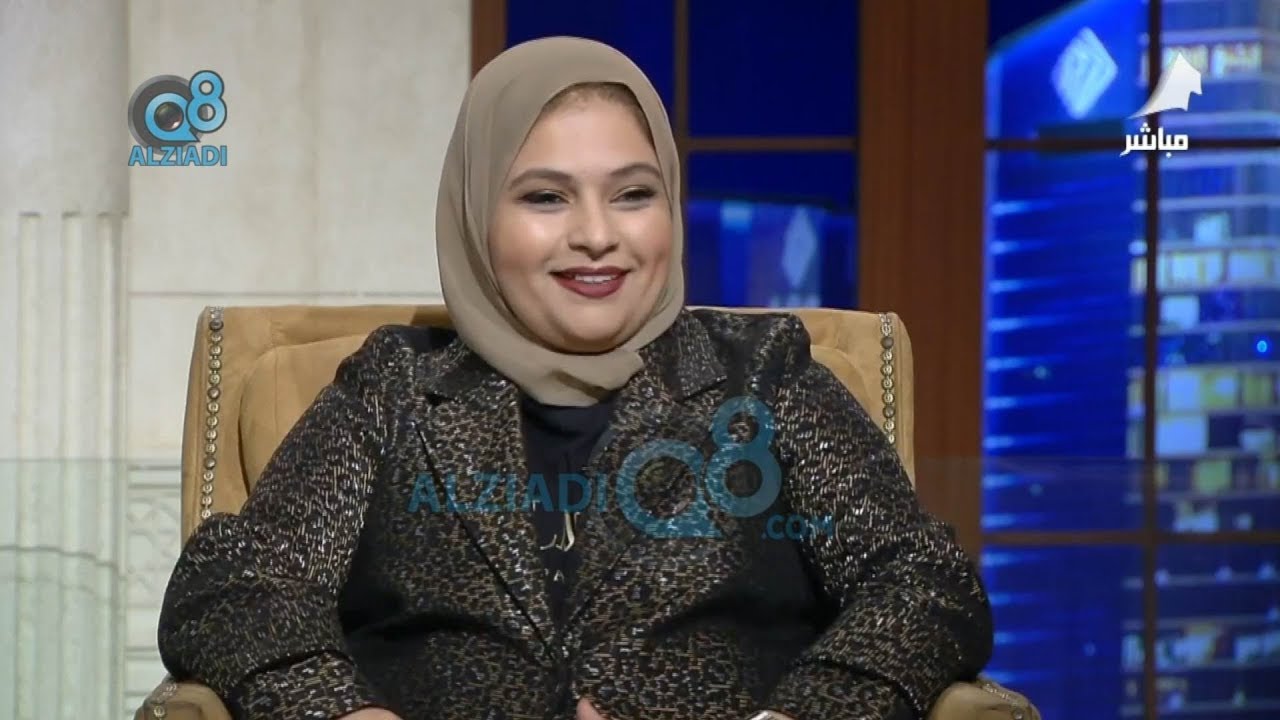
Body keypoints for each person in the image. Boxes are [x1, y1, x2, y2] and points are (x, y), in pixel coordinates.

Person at [156, 36, 994, 720]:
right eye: (546, 198)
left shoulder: (764, 378)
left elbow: (924, 581)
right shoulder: (395, 387)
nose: (597, 234)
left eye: (632, 194)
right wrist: (345, 713)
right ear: (477, 217)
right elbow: (232, 586)